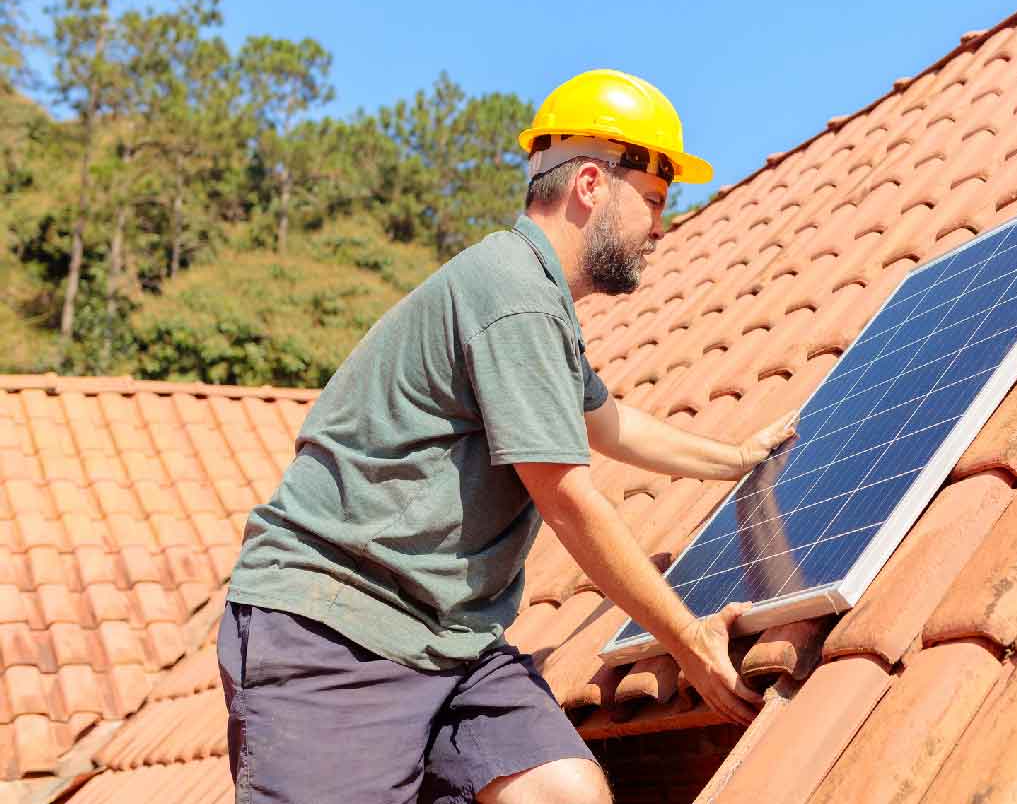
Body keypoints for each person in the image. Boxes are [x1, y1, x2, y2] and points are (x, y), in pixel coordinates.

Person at [217, 69, 798, 804]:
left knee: (564, 792)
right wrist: (692, 642)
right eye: (653, 201)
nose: (660, 227)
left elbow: (607, 421)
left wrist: (737, 459)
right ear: (591, 185)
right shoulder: (513, 296)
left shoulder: (534, 299)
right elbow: (568, 499)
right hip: (339, 631)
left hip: (449, 640)